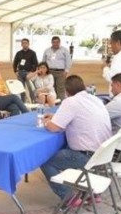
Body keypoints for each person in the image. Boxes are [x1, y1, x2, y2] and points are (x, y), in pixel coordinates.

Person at [41, 75, 112, 206]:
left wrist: (45, 122)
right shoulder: (95, 99)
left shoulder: (70, 102)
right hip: (103, 155)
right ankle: (92, 192)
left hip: (87, 157)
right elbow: (80, 116)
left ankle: (69, 197)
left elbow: (54, 127)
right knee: (65, 149)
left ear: (67, 91)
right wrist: (56, 116)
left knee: (44, 160)